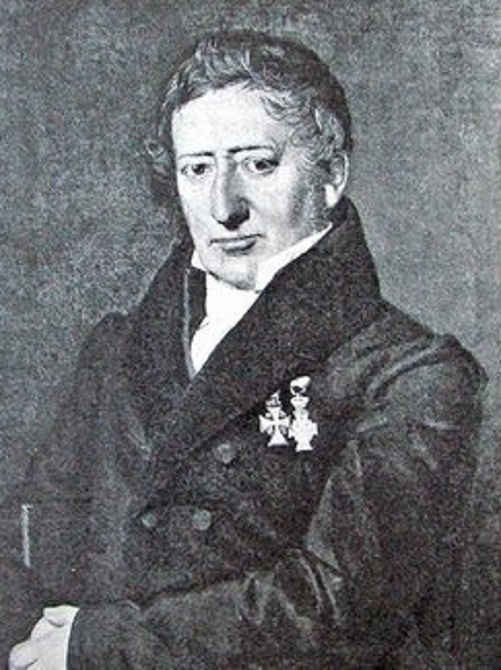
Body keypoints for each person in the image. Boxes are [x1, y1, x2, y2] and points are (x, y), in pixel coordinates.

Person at [3, 30, 485, 669]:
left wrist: (97, 647)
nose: (223, 207)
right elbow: (29, 550)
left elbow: (339, 607)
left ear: (331, 175)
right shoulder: (117, 352)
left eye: (258, 164)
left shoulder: (414, 376)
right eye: (198, 169)